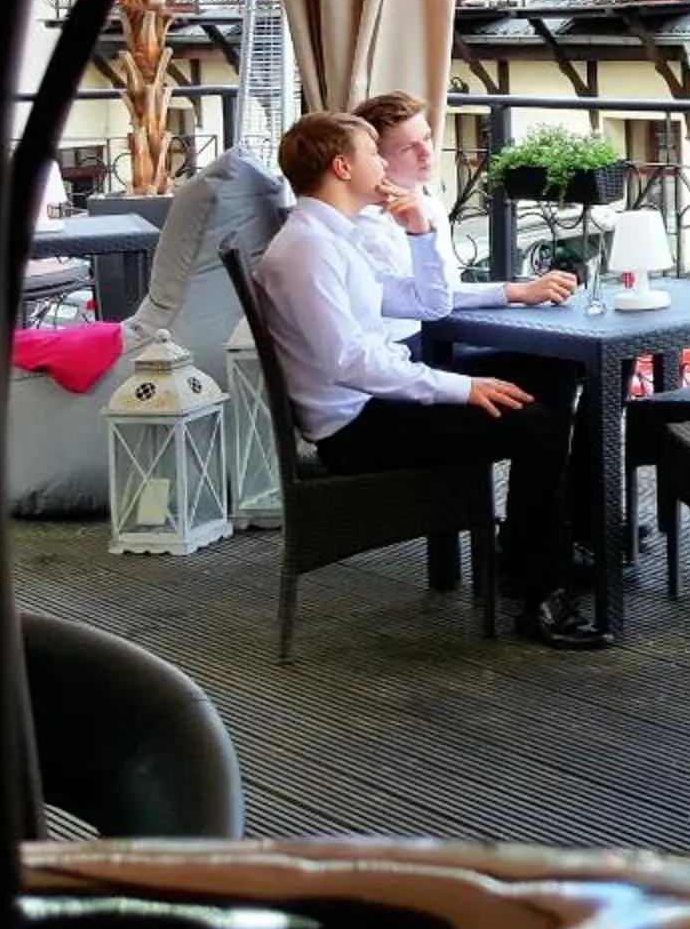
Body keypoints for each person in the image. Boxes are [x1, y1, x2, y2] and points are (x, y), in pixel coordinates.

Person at [253, 110, 608, 650]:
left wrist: (420, 231)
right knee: (536, 425)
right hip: (356, 429)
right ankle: (542, 593)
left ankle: (529, 553)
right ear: (344, 166)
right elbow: (349, 363)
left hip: (375, 401)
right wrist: (462, 388)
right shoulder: (306, 250)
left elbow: (428, 302)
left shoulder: (334, 236)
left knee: (548, 370)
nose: (383, 163)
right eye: (375, 153)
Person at [349, 92, 577, 325]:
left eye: (427, 138)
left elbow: (445, 286)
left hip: (445, 329)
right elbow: (423, 297)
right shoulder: (367, 222)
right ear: (377, 159)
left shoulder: (428, 204)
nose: (426, 153)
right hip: (404, 342)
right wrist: (516, 291)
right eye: (408, 148)